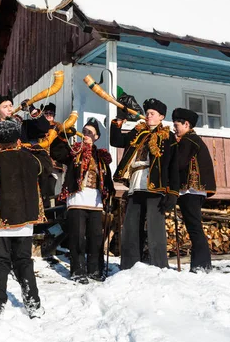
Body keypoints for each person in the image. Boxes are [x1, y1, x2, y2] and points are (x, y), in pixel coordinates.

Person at [0, 118, 52, 318]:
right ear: (17, 139)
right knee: (24, 260)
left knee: (0, 261)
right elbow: (47, 173)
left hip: (0, 220)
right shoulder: (32, 159)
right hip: (26, 219)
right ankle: (33, 304)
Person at [0, 89, 49, 277]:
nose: (9, 109)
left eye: (10, 105)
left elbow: (42, 129)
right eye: (5, 106)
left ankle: (18, 263)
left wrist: (33, 111)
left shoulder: (20, 125)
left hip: (18, 180)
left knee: (19, 222)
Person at [110, 98, 179, 270]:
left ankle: (159, 265)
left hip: (156, 185)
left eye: (152, 114)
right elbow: (117, 141)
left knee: (155, 228)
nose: (148, 116)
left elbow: (173, 165)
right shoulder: (137, 132)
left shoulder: (168, 137)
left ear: (161, 117)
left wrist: (173, 192)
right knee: (131, 226)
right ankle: (130, 265)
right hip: (136, 182)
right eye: (147, 113)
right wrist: (119, 120)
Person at [50, 118, 115, 283]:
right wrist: (63, 137)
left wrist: (110, 196)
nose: (86, 134)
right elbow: (56, 153)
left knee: (95, 238)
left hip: (95, 202)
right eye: (84, 131)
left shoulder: (101, 156)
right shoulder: (74, 151)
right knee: (78, 237)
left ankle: (95, 269)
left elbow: (107, 179)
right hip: (77, 199)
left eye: (90, 132)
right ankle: (78, 271)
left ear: (96, 137)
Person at [172, 108, 216, 272]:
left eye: (177, 125)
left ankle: (201, 265)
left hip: (191, 190)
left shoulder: (188, 140)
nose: (174, 128)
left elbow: (179, 163)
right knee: (194, 227)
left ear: (186, 124)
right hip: (194, 191)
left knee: (195, 227)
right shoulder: (192, 139)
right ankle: (201, 264)